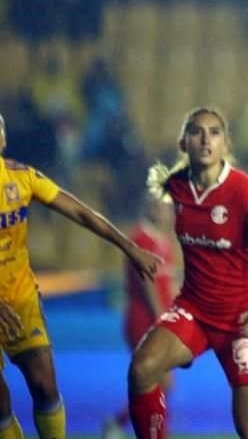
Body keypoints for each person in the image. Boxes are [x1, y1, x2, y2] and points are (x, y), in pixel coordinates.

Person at [0, 111, 159, 439]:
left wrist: (129, 247)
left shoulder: (22, 178)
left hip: (19, 298)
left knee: (44, 384)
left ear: (3, 139)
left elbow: (81, 213)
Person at [127, 107, 248, 439]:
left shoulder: (245, 190)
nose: (206, 140)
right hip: (194, 309)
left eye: (214, 132)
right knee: (142, 370)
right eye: (197, 132)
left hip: (241, 317)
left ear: (226, 143)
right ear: (184, 143)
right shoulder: (175, 188)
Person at [103, 194, 177, 439]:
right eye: (164, 208)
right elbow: (149, 286)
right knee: (159, 382)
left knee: (162, 383)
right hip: (144, 320)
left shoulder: (163, 240)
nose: (168, 213)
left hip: (159, 320)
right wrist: (162, 320)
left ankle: (118, 423)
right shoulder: (141, 239)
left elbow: (170, 283)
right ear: (152, 208)